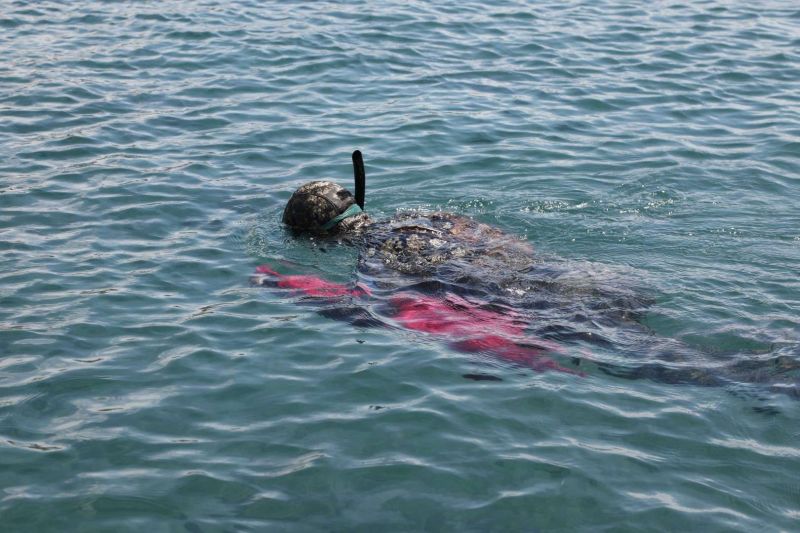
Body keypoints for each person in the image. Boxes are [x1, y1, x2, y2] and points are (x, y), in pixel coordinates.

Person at [253, 152, 799, 394]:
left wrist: (302, 293)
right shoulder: (424, 215)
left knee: (664, 361)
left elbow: (391, 310)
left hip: (531, 300)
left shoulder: (376, 258)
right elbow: (505, 241)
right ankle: (772, 346)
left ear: (317, 237)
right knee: (654, 336)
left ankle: (762, 380)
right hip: (570, 272)